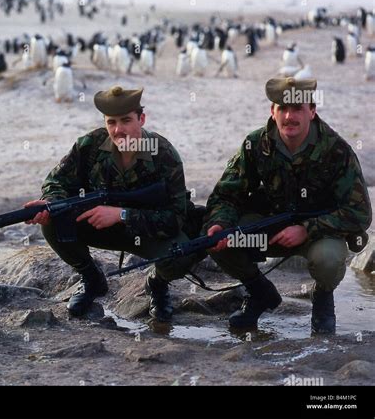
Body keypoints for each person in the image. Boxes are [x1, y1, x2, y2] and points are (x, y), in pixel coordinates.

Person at [202, 77, 372, 334]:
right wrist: (220, 223)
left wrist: (307, 228)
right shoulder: (255, 144)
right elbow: (226, 195)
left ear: (312, 111)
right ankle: (259, 292)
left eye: (297, 109)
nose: (289, 116)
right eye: (282, 108)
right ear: (272, 111)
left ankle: (323, 298)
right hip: (268, 229)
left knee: (327, 259)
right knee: (218, 240)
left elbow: (359, 213)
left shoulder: (336, 150)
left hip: (316, 235)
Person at [25, 86, 200, 321]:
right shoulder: (90, 145)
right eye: (111, 122)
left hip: (146, 231)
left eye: (126, 121)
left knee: (183, 253)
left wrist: (122, 214)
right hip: (100, 226)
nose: (119, 130)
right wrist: (51, 204)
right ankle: (92, 279)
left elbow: (175, 218)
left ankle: (157, 284)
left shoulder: (165, 154)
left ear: (142, 119)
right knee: (54, 222)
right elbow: (56, 181)